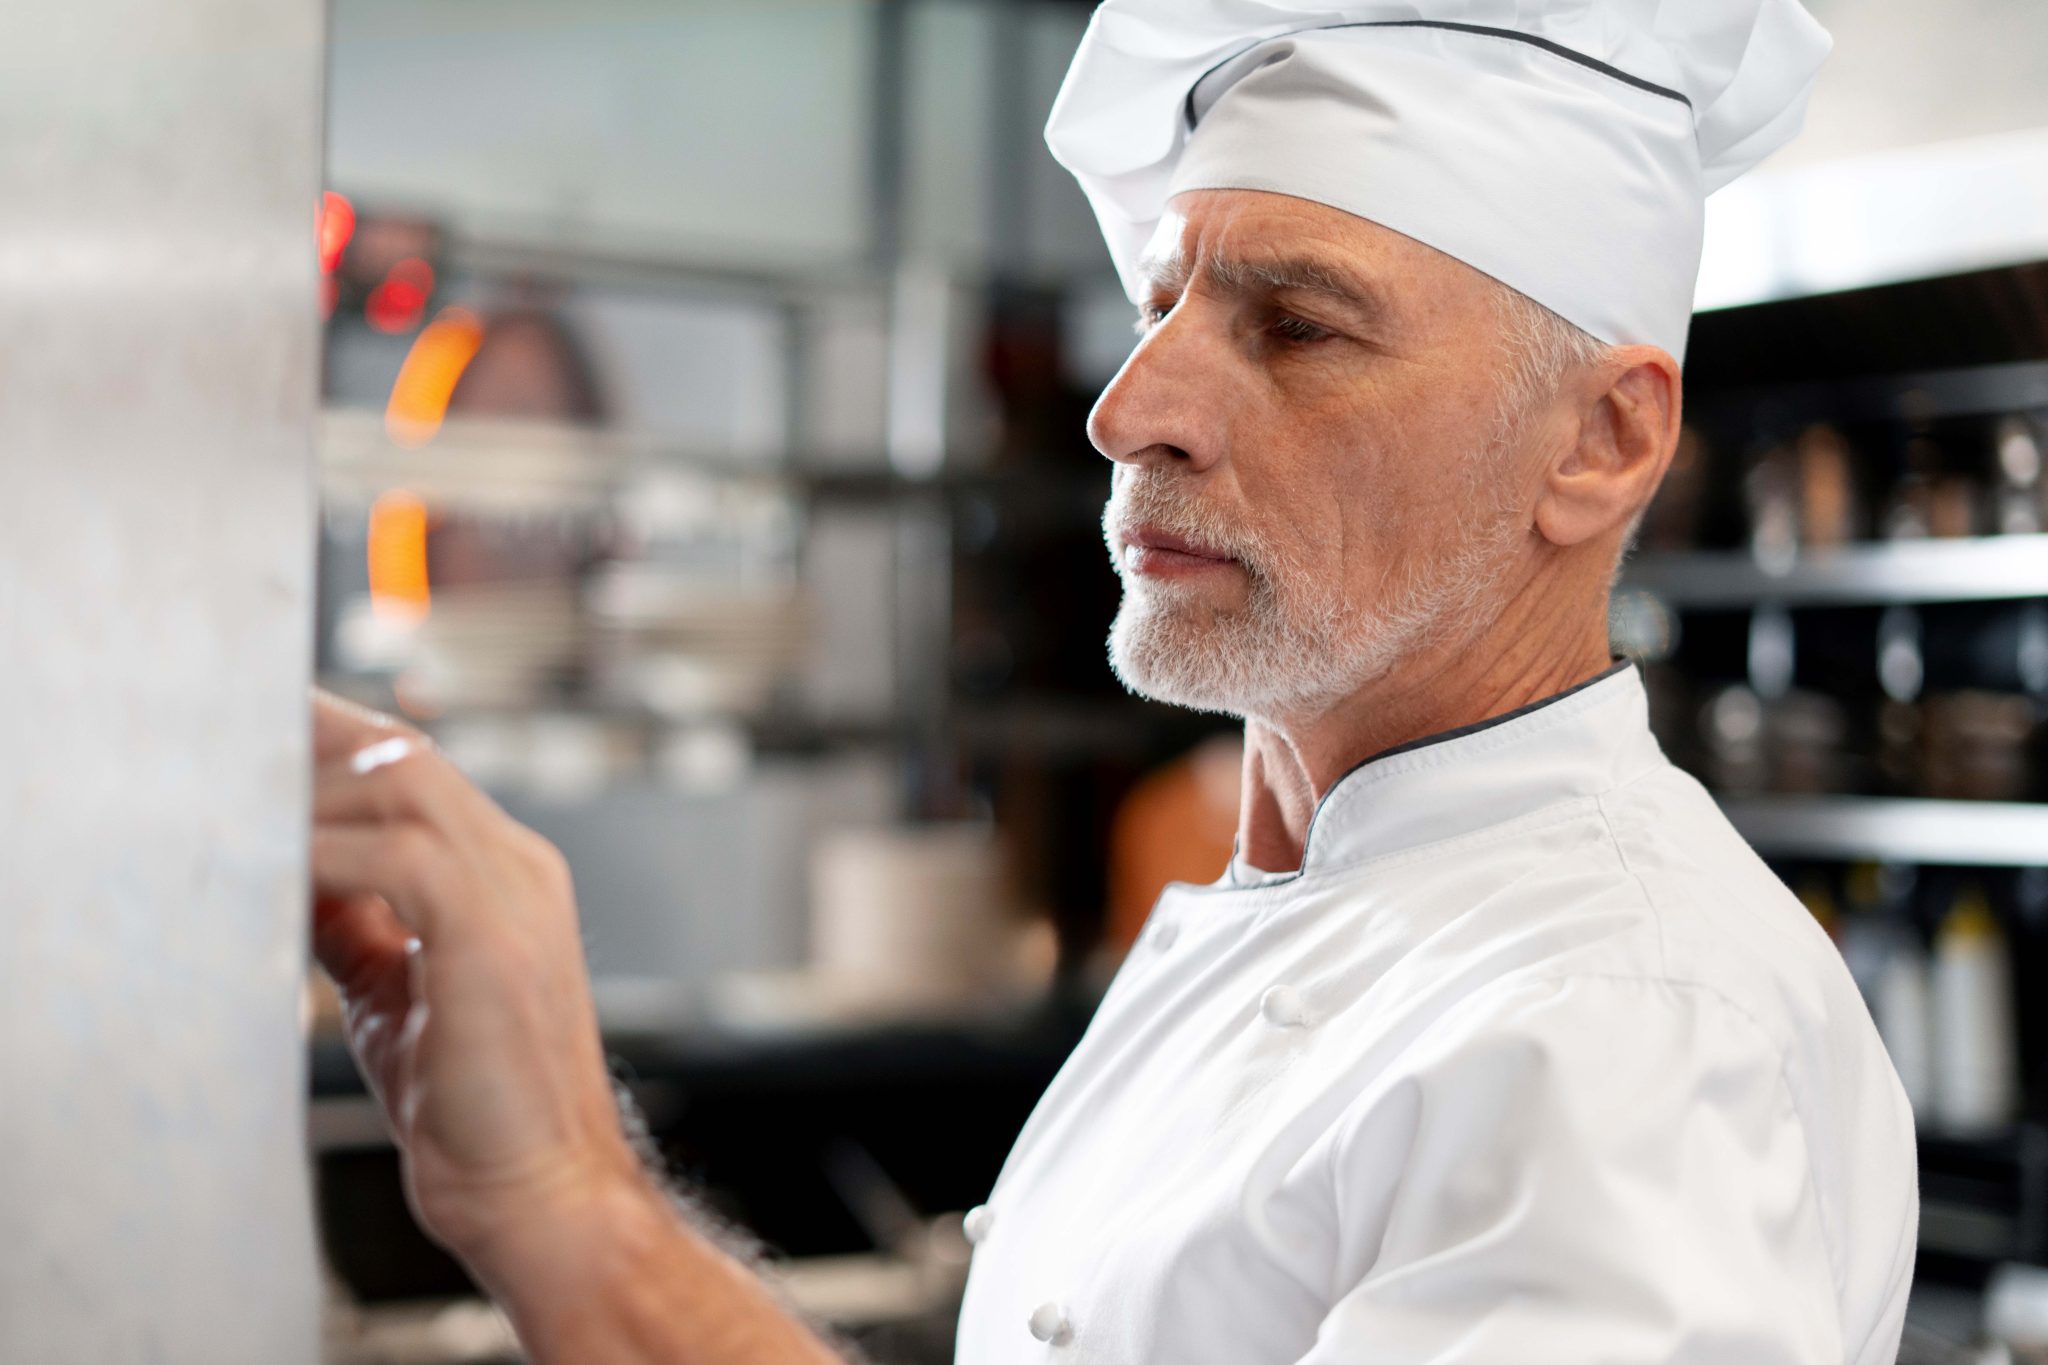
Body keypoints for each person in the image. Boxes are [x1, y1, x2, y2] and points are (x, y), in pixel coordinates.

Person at [309, 1, 1919, 1361]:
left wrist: (579, 1203)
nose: (1128, 407)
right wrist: (541, 1198)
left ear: (1602, 442)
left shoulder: (1631, 1037)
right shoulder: (1298, 905)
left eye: (1297, 326)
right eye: (1161, 305)